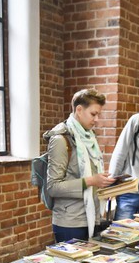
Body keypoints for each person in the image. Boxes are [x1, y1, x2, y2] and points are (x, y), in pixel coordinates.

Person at [44, 88, 115, 242]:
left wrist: (106, 184)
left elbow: (91, 175)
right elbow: (53, 187)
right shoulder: (60, 140)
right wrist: (92, 181)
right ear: (79, 110)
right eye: (93, 114)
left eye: (98, 115)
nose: (96, 120)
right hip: (70, 222)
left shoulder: (89, 137)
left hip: (91, 217)